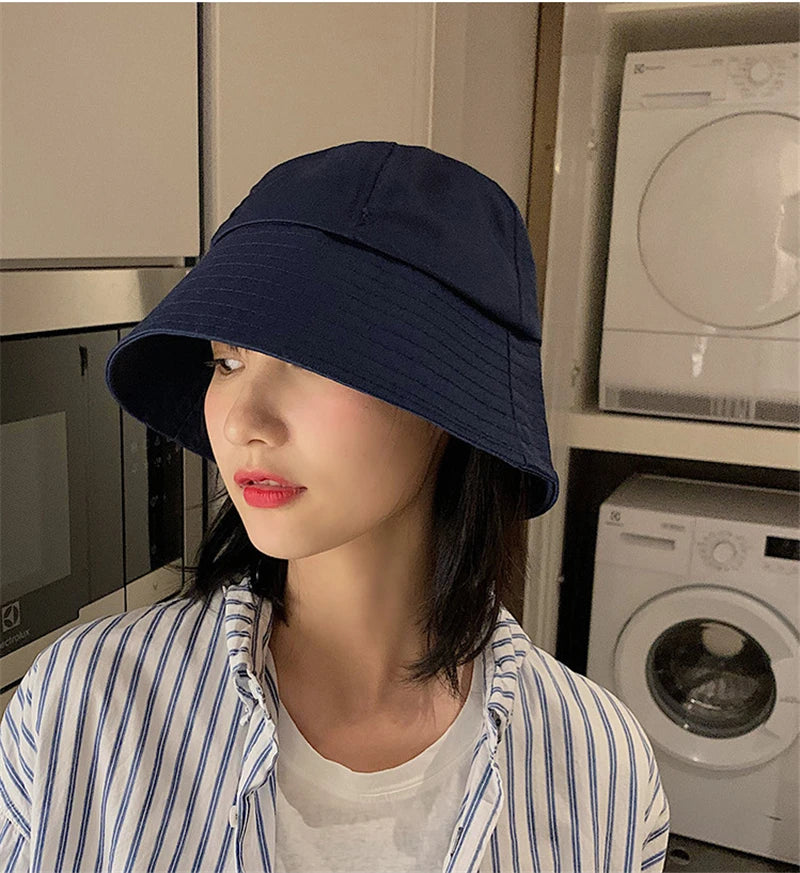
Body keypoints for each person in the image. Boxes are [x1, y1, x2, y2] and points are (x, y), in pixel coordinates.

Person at [0, 141, 669, 872]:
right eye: (227, 361)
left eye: (312, 360)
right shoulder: (82, 706)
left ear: (452, 403)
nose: (244, 421)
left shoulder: (600, 766)